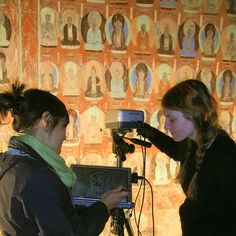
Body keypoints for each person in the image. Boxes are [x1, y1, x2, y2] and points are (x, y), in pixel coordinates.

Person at [0, 81, 128, 235]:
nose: (65, 136)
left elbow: (56, 218)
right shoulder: (37, 177)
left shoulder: (10, 161)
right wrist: (104, 207)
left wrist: (97, 206)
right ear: (45, 120)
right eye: (63, 126)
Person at [137, 79, 236, 235]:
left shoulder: (223, 152)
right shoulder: (190, 143)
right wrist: (144, 129)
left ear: (194, 114)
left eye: (172, 119)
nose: (166, 126)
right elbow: (174, 149)